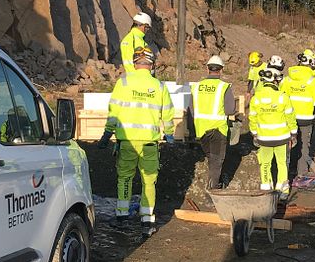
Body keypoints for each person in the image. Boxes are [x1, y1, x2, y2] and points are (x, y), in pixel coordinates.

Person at [98, 47, 174, 237]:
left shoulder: (123, 83)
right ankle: (147, 220)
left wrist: (107, 134)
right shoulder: (159, 86)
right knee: (149, 181)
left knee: (125, 178)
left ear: (135, 63)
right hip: (149, 143)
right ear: (151, 65)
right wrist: (170, 134)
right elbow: (168, 114)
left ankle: (122, 216)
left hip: (127, 143)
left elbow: (113, 112)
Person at [249, 66, 297, 200]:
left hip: (264, 138)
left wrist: (254, 133)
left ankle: (266, 189)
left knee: (265, 163)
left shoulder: (256, 99)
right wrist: (293, 133)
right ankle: (282, 192)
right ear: (275, 81)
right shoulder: (283, 97)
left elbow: (252, 118)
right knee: (282, 163)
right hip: (282, 137)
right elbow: (290, 118)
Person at [191, 55, 236, 189]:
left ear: (207, 69)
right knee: (217, 160)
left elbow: (191, 109)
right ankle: (213, 188)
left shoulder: (197, 86)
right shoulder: (223, 87)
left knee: (211, 157)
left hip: (201, 130)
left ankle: (213, 182)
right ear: (221, 70)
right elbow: (229, 110)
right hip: (218, 129)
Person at [280, 53, 315, 179]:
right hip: (306, 119)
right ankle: (301, 171)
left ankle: (288, 170)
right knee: (304, 145)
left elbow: (280, 97)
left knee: (289, 144)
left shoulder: (287, 79)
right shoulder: (313, 81)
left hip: (289, 118)